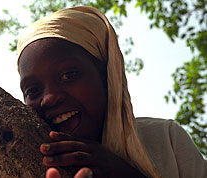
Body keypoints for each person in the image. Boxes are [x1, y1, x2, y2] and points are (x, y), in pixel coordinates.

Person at [17, 6, 207, 178]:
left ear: (106, 76)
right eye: (33, 90)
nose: (49, 98)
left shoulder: (165, 139)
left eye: (68, 75)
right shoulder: (18, 164)